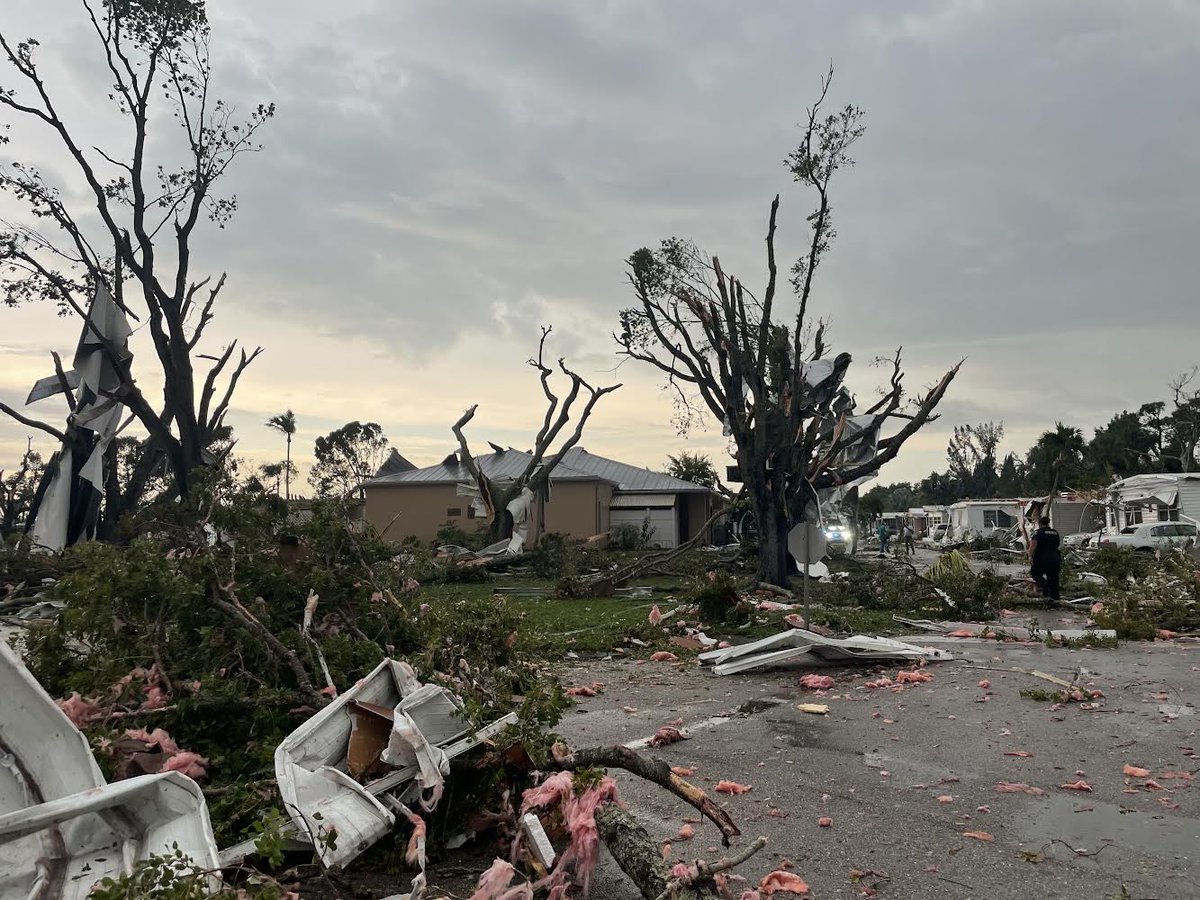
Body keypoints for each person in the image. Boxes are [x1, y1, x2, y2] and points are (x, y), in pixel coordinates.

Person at [1028, 515, 1062, 604]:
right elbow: (1058, 544)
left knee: (1035, 575)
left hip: (1041, 558)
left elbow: (1033, 545)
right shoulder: (1055, 532)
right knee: (1054, 578)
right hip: (1055, 558)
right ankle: (1055, 599)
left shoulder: (1038, 533)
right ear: (1048, 523)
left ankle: (1046, 588)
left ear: (1040, 524)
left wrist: (1030, 556)